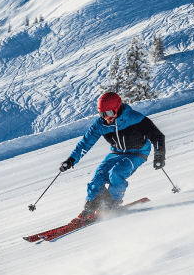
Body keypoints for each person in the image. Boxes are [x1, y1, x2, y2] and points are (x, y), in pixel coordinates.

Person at [60, 91, 165, 220]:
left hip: (138, 152)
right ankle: (92, 206)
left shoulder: (135, 118)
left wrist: (159, 154)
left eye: (109, 113)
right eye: (102, 114)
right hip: (117, 152)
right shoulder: (100, 125)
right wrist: (71, 160)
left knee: (116, 173)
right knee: (98, 176)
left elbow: (157, 136)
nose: (106, 117)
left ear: (118, 108)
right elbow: (85, 144)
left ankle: (112, 203)